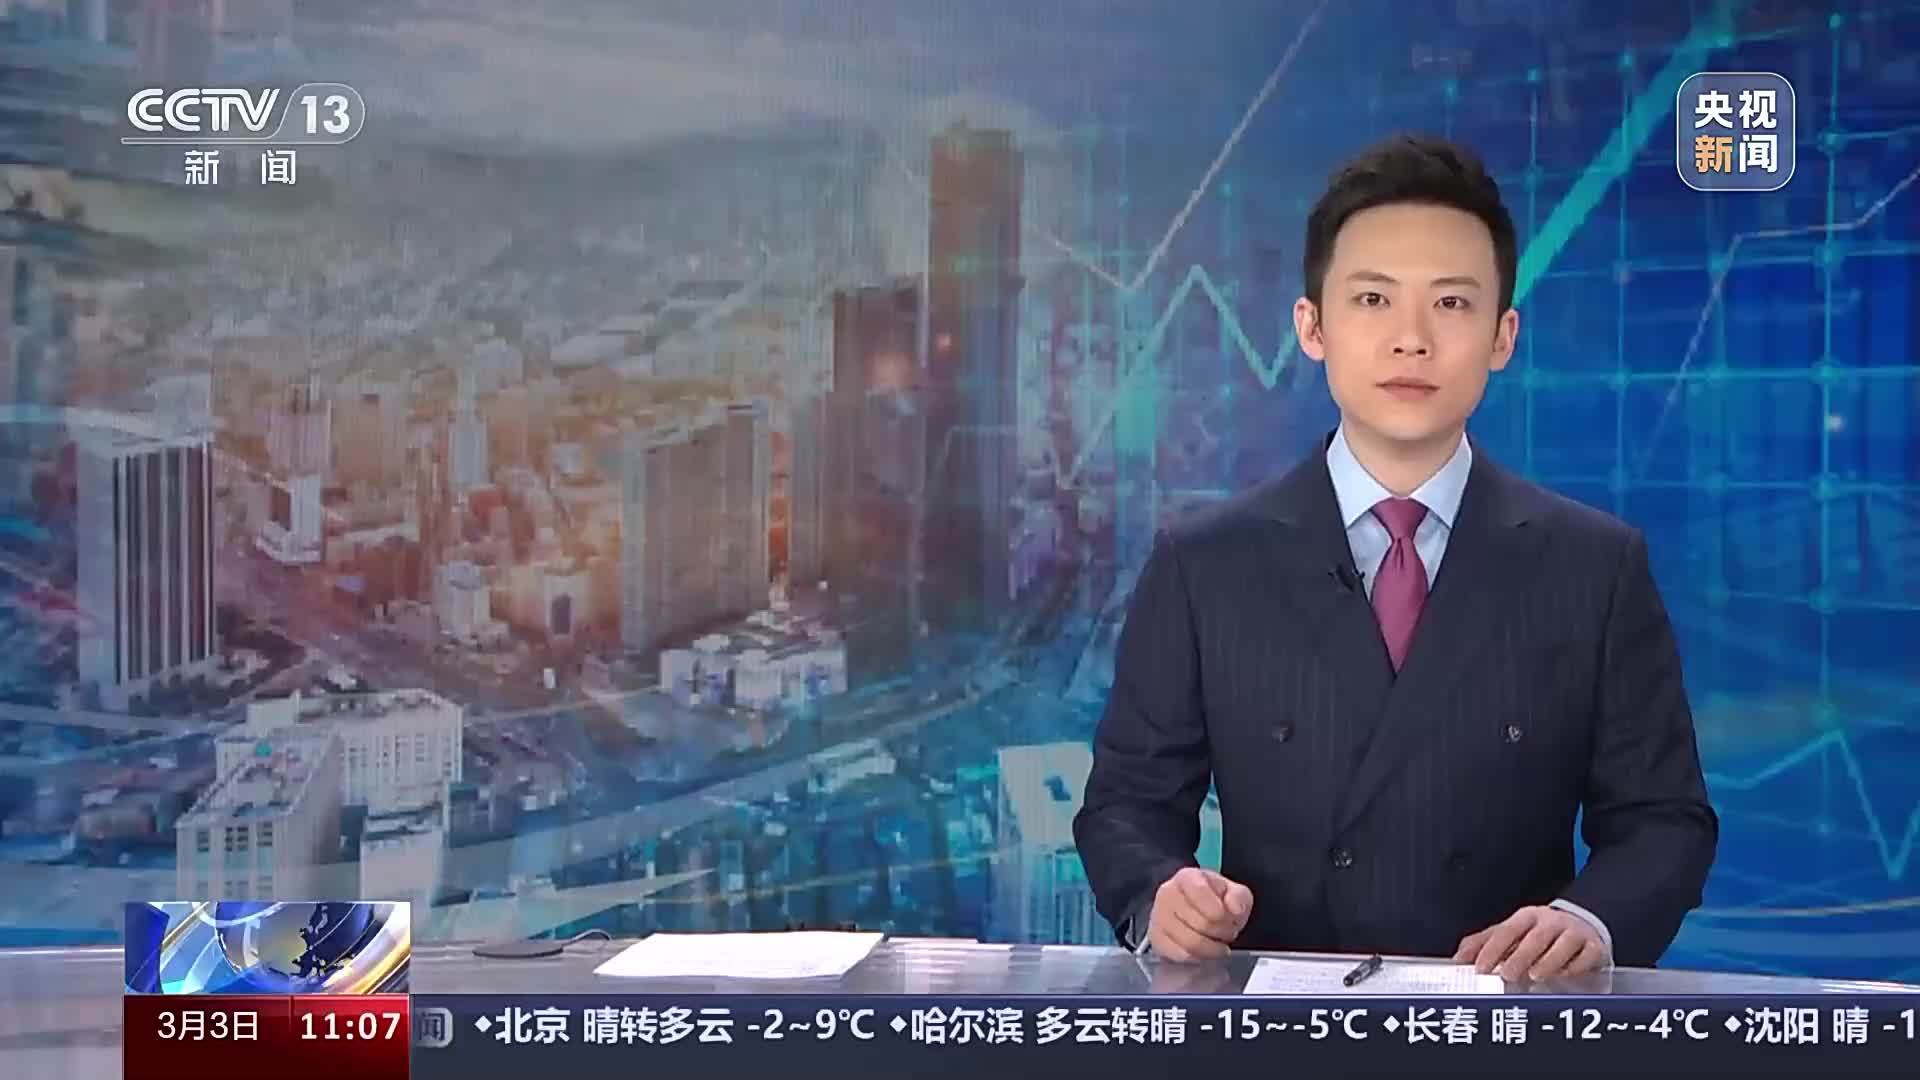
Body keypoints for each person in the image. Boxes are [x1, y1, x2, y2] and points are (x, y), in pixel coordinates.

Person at [1071, 133, 1717, 981]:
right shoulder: (1205, 565)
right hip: (1285, 1018)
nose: (1412, 340)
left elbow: (1665, 821)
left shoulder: (1595, 568)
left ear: (1502, 336)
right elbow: (1126, 806)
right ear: (1312, 326)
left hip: (1507, 1016)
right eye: (1373, 299)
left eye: (1451, 304)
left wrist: (1588, 921)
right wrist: (1161, 894)